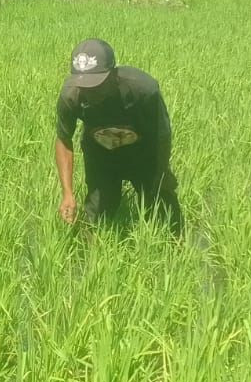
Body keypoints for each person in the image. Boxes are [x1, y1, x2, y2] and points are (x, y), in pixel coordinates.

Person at [54, 38, 183, 235]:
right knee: (97, 215)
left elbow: (161, 134)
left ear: (113, 75)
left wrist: (161, 172)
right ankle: (91, 259)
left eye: (96, 85)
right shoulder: (71, 96)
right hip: (101, 152)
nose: (90, 92)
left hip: (143, 152)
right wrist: (68, 193)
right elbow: (64, 139)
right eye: (85, 86)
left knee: (161, 205)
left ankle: (177, 249)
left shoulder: (143, 89)